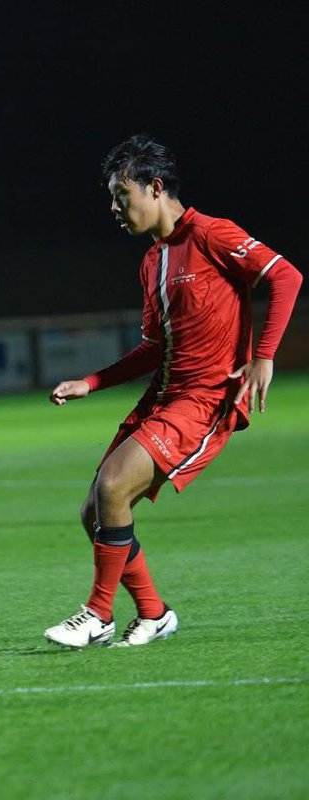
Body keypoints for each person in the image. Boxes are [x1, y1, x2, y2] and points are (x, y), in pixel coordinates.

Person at [46, 135, 302, 648]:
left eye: (123, 195)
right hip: (163, 398)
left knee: (113, 487)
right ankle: (154, 614)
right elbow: (151, 349)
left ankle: (97, 614)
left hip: (204, 401)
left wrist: (264, 356)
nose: (116, 209)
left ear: (155, 187)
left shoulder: (212, 234)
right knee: (95, 512)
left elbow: (286, 276)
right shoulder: (152, 262)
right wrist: (92, 382)